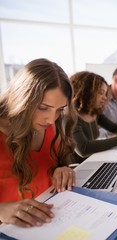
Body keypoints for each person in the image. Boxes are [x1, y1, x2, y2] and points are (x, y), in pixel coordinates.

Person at [0, 58, 77, 227]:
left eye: (59, 110)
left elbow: (52, 165)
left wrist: (62, 170)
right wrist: (2, 210)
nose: (51, 119)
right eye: (43, 108)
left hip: (53, 220)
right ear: (22, 98)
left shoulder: (49, 126)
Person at [70, 71, 117, 163]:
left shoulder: (94, 112)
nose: (105, 98)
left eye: (105, 94)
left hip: (92, 161)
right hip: (76, 167)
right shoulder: (70, 116)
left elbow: (114, 128)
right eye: (101, 93)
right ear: (86, 91)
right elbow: (84, 149)